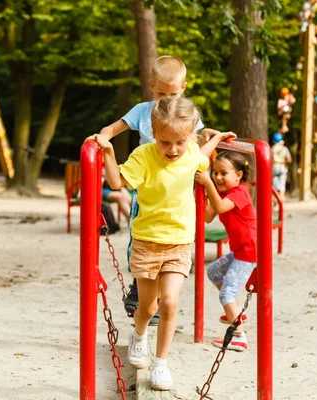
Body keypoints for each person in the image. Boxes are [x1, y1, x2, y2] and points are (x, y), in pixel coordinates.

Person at [92, 97, 235, 391]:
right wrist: (108, 150)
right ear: (154, 134)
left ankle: (161, 363)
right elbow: (117, 182)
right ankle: (139, 334)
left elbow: (201, 154)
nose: (172, 149)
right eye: (164, 141)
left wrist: (217, 137)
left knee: (169, 303)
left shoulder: (191, 152)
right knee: (148, 306)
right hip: (147, 241)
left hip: (179, 243)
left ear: (190, 136)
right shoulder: (144, 156)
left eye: (180, 142)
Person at [90, 55, 228, 324]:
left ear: (184, 88)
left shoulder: (184, 112)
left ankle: (163, 291)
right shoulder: (143, 110)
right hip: (147, 179)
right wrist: (103, 137)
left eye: (173, 94)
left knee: (175, 232)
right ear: (151, 85)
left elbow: (196, 140)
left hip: (176, 182)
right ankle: (139, 283)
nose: (166, 100)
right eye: (161, 93)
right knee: (139, 232)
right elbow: (114, 128)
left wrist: (210, 134)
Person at [194, 151, 256, 352]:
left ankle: (238, 336)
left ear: (238, 175)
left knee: (227, 292)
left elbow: (220, 208)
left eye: (224, 173)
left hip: (250, 251)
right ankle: (236, 312)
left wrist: (209, 185)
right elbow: (208, 216)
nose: (218, 178)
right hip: (239, 250)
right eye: (215, 173)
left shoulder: (240, 192)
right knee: (214, 273)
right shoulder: (221, 193)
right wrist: (201, 192)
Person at [272, 132, 292, 199]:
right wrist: (284, 161)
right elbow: (289, 159)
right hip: (282, 166)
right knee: (282, 185)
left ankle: (274, 200)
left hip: (274, 167)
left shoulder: (272, 149)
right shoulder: (284, 148)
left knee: (274, 185)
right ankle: (281, 201)